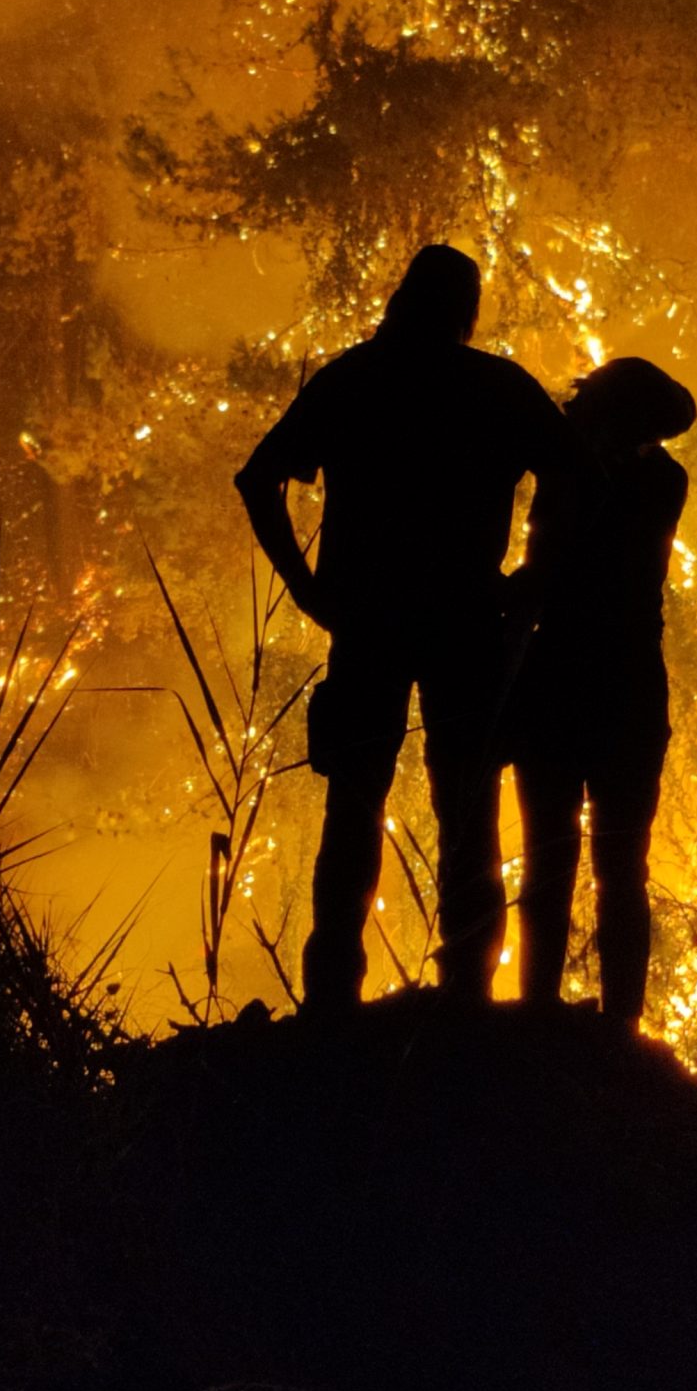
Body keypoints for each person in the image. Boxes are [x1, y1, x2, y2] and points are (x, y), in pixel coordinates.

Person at [236, 244, 589, 1010]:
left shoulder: (354, 379)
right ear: (467, 310)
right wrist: (533, 572)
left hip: (367, 620)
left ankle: (333, 1001)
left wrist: (304, 587)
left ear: (401, 299)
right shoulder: (495, 386)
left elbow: (257, 478)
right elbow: (573, 474)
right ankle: (466, 993)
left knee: (354, 804)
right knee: (467, 807)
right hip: (467, 619)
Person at [504, 356, 696, 1028]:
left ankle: (543, 1015)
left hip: (563, 679)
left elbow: (542, 572)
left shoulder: (582, 475)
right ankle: (614, 1028)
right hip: (627, 687)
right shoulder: (662, 479)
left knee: (556, 860)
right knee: (614, 867)